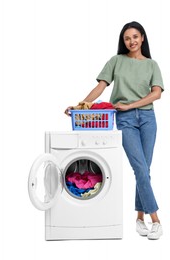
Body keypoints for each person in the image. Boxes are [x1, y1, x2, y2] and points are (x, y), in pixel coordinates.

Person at [65, 21, 164, 240]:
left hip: (148, 119)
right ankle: (156, 220)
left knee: (144, 170)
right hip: (125, 120)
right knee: (140, 168)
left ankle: (139, 217)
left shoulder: (152, 65)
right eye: (127, 38)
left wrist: (131, 104)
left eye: (135, 37)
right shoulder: (116, 61)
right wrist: (81, 104)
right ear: (123, 41)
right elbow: (101, 86)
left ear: (143, 38)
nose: (132, 41)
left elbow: (156, 93)